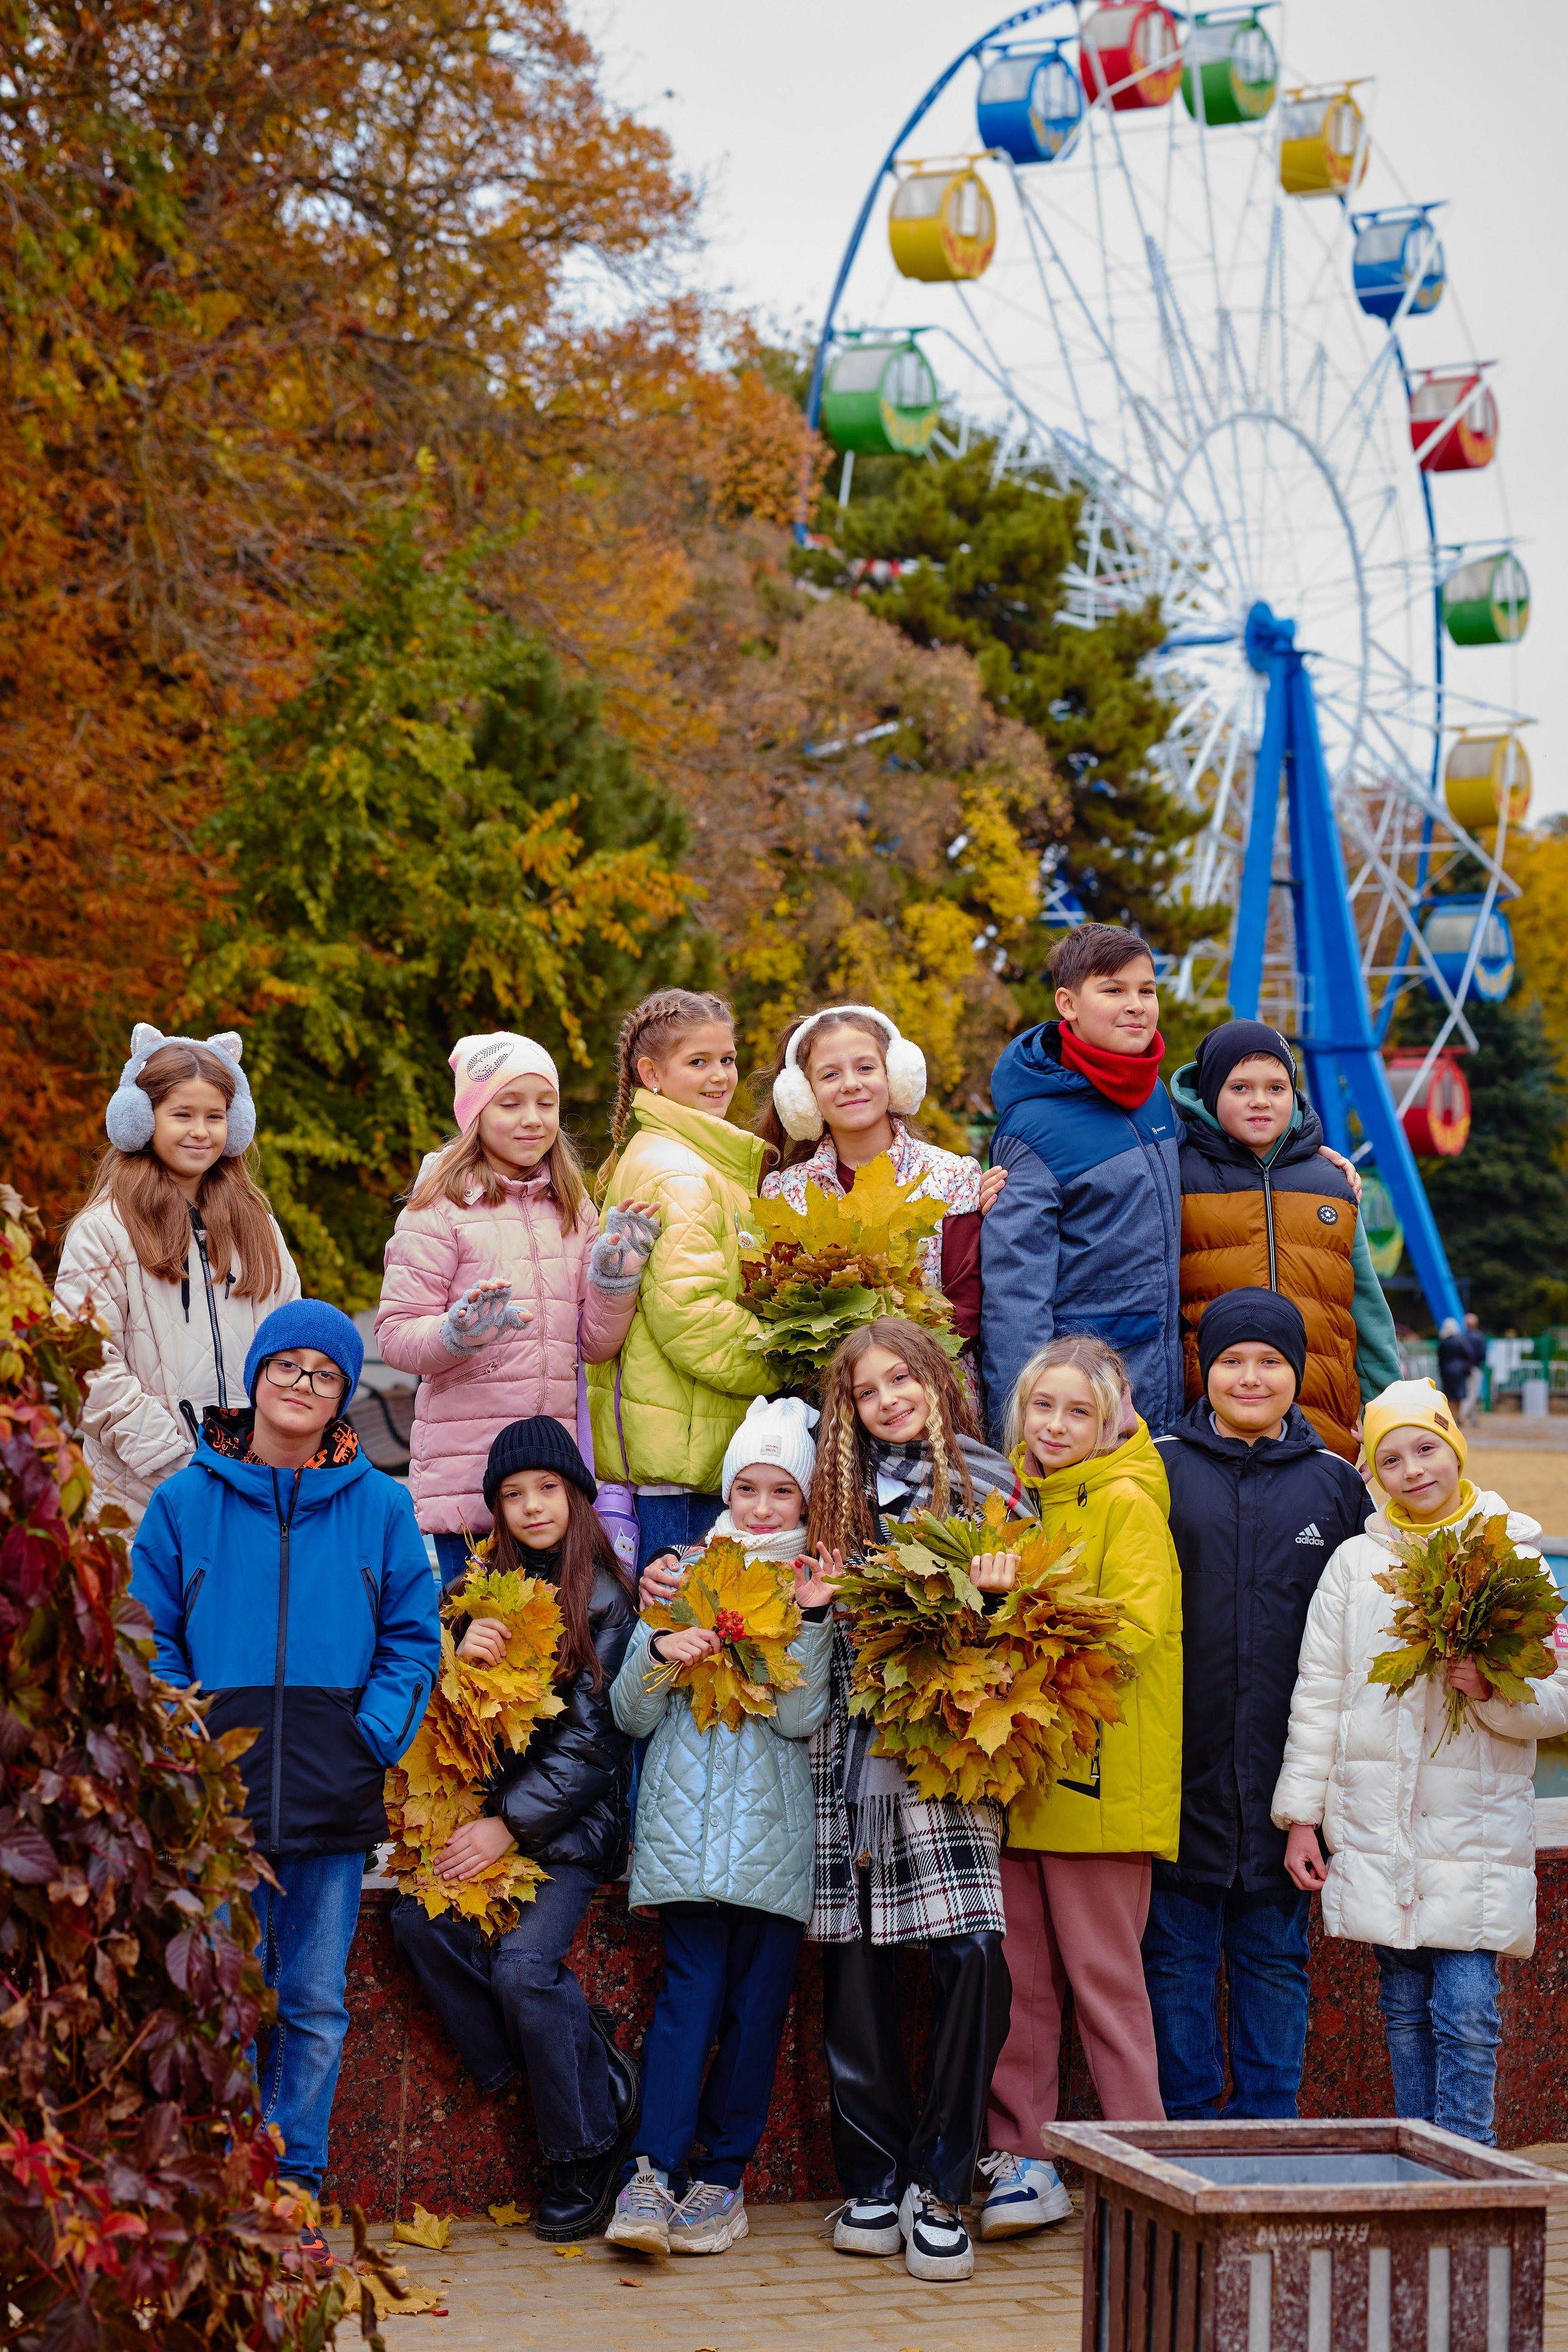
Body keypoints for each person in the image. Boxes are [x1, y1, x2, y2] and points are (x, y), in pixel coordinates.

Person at [130, 1300, 440, 2262]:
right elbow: (150, 1638)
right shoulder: (186, 1499)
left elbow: (411, 1641)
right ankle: (227, 2185)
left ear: (345, 1393)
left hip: (331, 1793)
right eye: (286, 1366)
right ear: (255, 1377)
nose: (301, 1385)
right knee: (225, 1999)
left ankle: (293, 2188)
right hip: (214, 1799)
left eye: (323, 1373)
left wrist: (371, 1738)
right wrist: (187, 1743)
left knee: (311, 2002)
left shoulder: (383, 1506)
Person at [1272, 1379, 1568, 2145]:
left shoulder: (1513, 1556)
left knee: (1467, 2010)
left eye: (1426, 1447)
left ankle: (1468, 2159)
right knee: (1402, 2010)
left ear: (1454, 1448)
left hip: (1471, 1835)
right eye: (1390, 1458)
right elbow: (1319, 1697)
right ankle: (1417, 2157)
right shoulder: (1352, 1566)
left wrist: (1492, 1688)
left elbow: (1557, 1698)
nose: (1413, 1469)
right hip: (1377, 1833)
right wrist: (1301, 1817)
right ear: (1372, 1473)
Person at [807, 1318, 1025, 2285]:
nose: (890, 1399)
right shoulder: (832, 1503)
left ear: (936, 1380)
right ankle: (873, 2176)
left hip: (942, 1755)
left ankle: (940, 2183)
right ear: (846, 1411)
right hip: (850, 1749)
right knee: (855, 1968)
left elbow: (1034, 1638)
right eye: (868, 1390)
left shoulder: (990, 1485)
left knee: (973, 1954)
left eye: (904, 1379)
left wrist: (995, 1602)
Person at [390, 1419, 641, 2243]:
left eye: (546, 1488)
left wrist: (510, 1826)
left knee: (525, 1970)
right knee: (414, 1921)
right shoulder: (475, 1592)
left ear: (575, 1494)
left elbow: (593, 1744)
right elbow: (436, 1703)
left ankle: (586, 2149)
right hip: (489, 1822)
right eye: (512, 1494)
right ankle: (572, 2069)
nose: (532, 1506)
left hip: (569, 1830)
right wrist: (457, 1649)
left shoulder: (606, 1596)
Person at [605, 1398, 835, 2258]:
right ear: (727, 1491)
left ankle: (722, 2178)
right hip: (684, 1835)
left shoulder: (811, 1586)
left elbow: (800, 1719)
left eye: (783, 1491)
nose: (764, 1506)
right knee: (685, 2005)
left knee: (753, 2013)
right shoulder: (680, 1576)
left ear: (805, 1502)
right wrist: (658, 1654)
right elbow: (628, 1716)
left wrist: (812, 1620)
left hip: (774, 1841)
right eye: (749, 1487)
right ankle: (652, 2173)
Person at [1142, 1291, 1373, 2122]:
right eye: (1232, 1359)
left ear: (1297, 1374)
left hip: (1285, 1786)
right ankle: (1188, 2127)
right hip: (1179, 1772)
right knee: (1174, 1959)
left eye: (1270, 1361)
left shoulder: (1335, 1488)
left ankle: (1271, 2124)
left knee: (1275, 1961)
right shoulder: (1158, 1467)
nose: (1250, 1376)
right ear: (1206, 1370)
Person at [979, 1335, 1180, 2240]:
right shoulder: (1013, 1501)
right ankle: (1027, 2161)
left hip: (1096, 1785)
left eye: (1077, 1411)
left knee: (1106, 1983)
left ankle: (1144, 2171)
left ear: (1113, 1418)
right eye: (1043, 1407)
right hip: (1018, 1782)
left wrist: (1017, 1608)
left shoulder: (1129, 1501)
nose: (1055, 1425)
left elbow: (1131, 1635)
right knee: (1019, 1989)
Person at [375, 1032, 658, 1584]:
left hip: (552, 1485)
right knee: (482, 1645)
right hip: (470, 1484)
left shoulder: (573, 1208)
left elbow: (595, 1345)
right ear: (476, 1114)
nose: (532, 1118)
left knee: (558, 1644)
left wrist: (613, 1280)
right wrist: (456, 1335)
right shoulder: (438, 1208)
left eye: (545, 1102)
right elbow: (396, 1336)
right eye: (510, 1103)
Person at [55, 1025, 300, 1525]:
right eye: (182, 1114)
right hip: (141, 1498)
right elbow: (83, 1363)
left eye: (215, 1116)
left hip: (251, 1486)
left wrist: (272, 1450)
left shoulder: (259, 1228)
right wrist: (176, 1460)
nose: (200, 1131)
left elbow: (291, 1343)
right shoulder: (103, 1230)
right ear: (140, 1121)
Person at [588, 989, 777, 1575]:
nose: (720, 1076)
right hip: (679, 1463)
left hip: (677, 1445)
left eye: (727, 1058)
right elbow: (690, 1315)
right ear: (652, 1073)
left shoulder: (679, 1157)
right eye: (698, 1062)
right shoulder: (680, 1173)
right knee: (681, 1642)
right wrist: (789, 1364)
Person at [980, 925, 1184, 1446]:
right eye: (1114, 990)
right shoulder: (1034, 1128)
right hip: (1084, 1408)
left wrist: (1306, 1152)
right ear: (1067, 1003)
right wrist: (1018, 1441)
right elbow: (1015, 1299)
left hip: (1166, 1393)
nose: (1136, 1005)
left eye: (1147, 990)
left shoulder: (1154, 1097)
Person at [1174, 1019, 1401, 1462]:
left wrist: (1392, 1414)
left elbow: (1368, 1310)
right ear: (1209, 1093)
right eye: (1240, 1088)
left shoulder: (1332, 1184)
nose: (1260, 1101)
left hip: (1323, 1430)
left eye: (1276, 1088)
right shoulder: (1175, 1176)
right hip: (1207, 1428)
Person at [756, 1005, 1003, 1396]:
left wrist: (896, 1379)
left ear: (896, 1077)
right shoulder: (783, 1192)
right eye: (830, 1074)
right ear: (804, 1096)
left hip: (935, 1395)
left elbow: (967, 1310)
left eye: (866, 1068)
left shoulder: (951, 1178)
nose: (851, 1084)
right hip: (829, 1403)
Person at [1438, 1316, 1474, 1428]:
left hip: (1447, 1370)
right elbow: (1468, 1354)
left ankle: (1449, 1417)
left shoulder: (1443, 1342)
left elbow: (1440, 1358)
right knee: (1459, 1395)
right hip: (1459, 1371)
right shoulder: (1461, 1340)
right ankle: (1458, 1417)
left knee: (1448, 1396)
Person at [1463, 1312, 1488, 1429]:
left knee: (1469, 1392)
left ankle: (1474, 1418)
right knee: (1473, 1393)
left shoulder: (1462, 1337)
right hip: (1475, 1367)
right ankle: (1461, 1416)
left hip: (1464, 1369)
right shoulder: (1479, 1337)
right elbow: (1482, 1354)